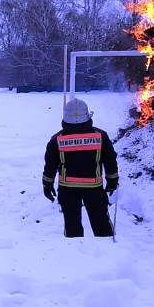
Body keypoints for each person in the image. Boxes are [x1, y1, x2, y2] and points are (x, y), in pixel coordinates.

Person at [42, 97, 120, 237]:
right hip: (94, 190)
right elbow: (110, 160)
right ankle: (108, 254)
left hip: (67, 190)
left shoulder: (56, 139)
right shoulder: (100, 136)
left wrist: (47, 185)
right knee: (102, 227)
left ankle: (75, 255)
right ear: (87, 116)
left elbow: (50, 165)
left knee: (72, 229)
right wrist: (112, 180)